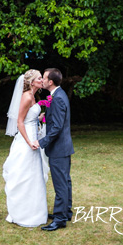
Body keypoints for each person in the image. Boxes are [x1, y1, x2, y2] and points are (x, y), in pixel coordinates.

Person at [3, 69, 49, 227]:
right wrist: (29, 142)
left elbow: (31, 117)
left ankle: (35, 211)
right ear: (31, 82)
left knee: (34, 175)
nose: (42, 80)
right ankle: (22, 213)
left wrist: (41, 117)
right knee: (24, 176)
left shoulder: (34, 96)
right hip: (27, 140)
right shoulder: (27, 96)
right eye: (39, 78)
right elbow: (20, 122)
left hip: (34, 138)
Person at [33, 68, 74, 231]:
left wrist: (41, 142)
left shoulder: (57, 98)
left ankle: (60, 218)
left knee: (61, 183)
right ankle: (66, 211)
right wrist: (46, 115)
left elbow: (57, 127)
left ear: (50, 82)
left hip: (59, 148)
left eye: (43, 78)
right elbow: (57, 118)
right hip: (63, 146)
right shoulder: (58, 94)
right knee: (65, 181)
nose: (41, 80)